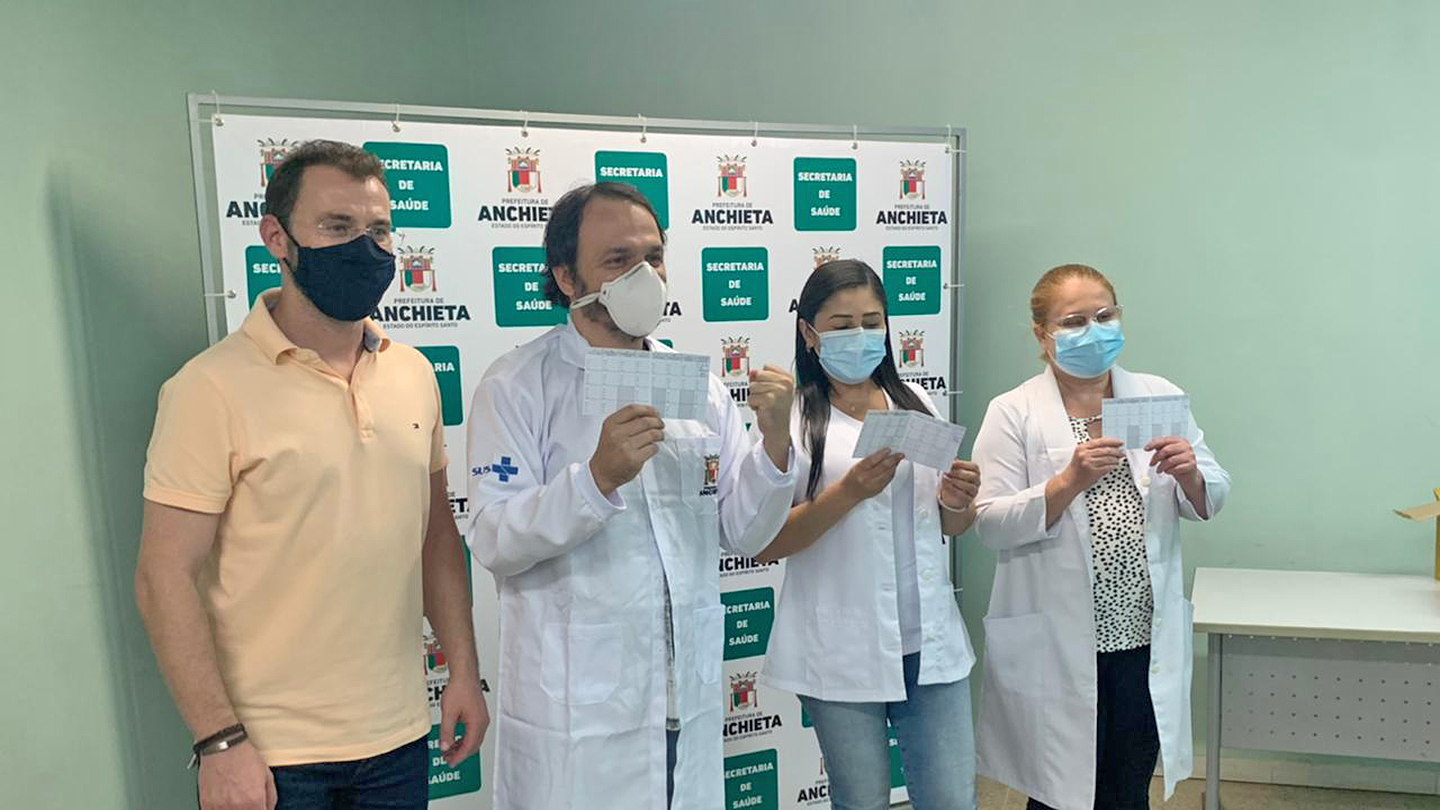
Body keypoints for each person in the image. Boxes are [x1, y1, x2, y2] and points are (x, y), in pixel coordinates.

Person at [134, 140, 488, 810]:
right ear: (277, 238)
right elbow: (163, 577)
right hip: (271, 755)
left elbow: (438, 539)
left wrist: (464, 672)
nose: (365, 248)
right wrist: (218, 740)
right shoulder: (207, 389)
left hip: (398, 736)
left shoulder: (413, 374)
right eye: (337, 226)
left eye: (379, 229)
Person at [466, 181, 797, 810]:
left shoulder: (695, 386)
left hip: (685, 698)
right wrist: (595, 480)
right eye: (618, 260)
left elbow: (745, 530)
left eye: (654, 257)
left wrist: (776, 443)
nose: (644, 276)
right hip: (580, 707)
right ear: (566, 276)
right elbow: (493, 538)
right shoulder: (517, 384)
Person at [970, 264, 1230, 810]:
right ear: (1042, 335)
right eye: (1073, 321)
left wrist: (1190, 472)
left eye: (1104, 315)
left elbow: (1212, 493)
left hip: (1140, 633)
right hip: (1059, 640)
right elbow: (989, 521)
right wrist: (1068, 481)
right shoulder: (1013, 411)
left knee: (1128, 787)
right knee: (1060, 792)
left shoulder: (1156, 395)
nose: (1094, 330)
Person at [754, 260, 981, 810]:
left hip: (927, 641)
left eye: (871, 322)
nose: (859, 336)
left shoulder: (916, 403)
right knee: (861, 800)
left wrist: (959, 501)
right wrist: (850, 491)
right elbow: (767, 541)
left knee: (952, 798)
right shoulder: (793, 419)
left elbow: (948, 526)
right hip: (840, 646)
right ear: (809, 333)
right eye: (840, 325)